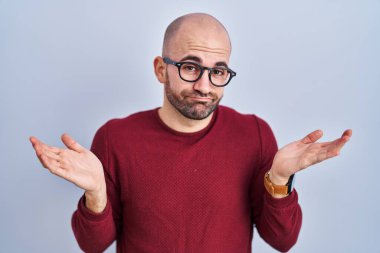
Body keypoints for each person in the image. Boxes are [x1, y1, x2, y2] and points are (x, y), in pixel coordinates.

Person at [29, 13, 352, 253]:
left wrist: (279, 180)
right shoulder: (116, 137)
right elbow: (92, 245)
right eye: (190, 66)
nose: (204, 85)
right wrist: (96, 192)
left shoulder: (253, 133)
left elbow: (282, 241)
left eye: (218, 71)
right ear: (160, 69)